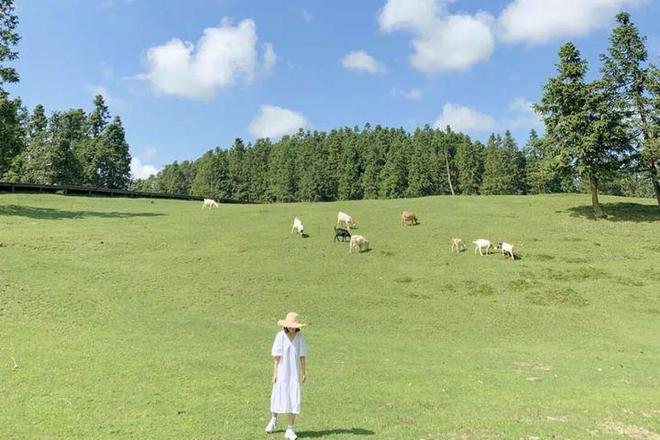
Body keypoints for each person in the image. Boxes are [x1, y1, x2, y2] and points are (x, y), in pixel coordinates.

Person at [265, 312, 308, 440]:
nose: (291, 328)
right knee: (278, 396)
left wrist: (304, 372)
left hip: (294, 374)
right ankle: (273, 420)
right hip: (282, 372)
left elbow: (302, 356)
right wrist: (275, 373)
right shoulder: (280, 336)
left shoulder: (300, 337)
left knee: (293, 398)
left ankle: (290, 428)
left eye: (293, 326)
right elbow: (276, 357)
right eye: (289, 326)